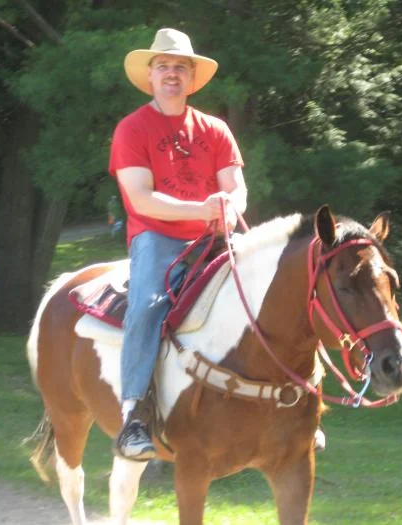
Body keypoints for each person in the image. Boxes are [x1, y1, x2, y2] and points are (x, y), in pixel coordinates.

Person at [109, 28, 247, 461]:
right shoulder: (132, 129)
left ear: (191, 79)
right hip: (158, 238)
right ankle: (133, 416)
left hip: (215, 236)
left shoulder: (217, 129)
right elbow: (140, 198)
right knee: (147, 305)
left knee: (275, 284)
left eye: (180, 68)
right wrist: (204, 210)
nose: (172, 74)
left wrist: (227, 208)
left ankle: (298, 401)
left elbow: (237, 189)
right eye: (164, 67)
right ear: (150, 77)